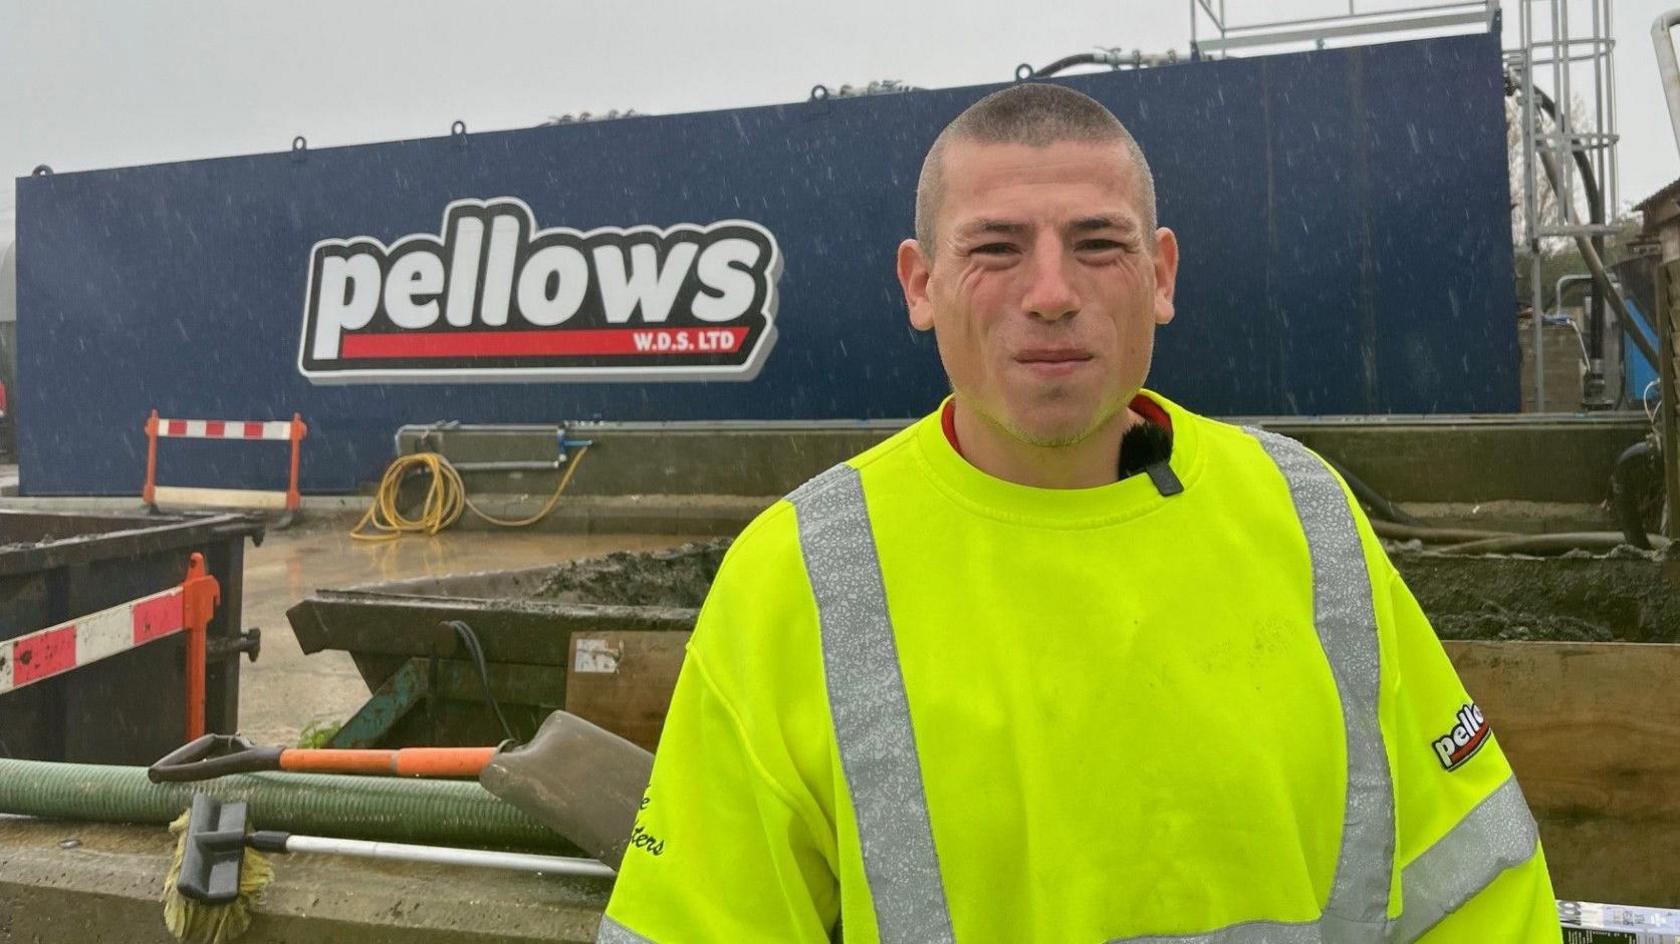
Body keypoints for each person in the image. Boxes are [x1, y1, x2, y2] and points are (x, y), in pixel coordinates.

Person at [597, 83, 1559, 943]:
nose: (1052, 294)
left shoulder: (1305, 517)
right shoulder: (800, 575)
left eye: (1099, 245)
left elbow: (1477, 891)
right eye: (996, 248)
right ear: (921, 285)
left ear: (1162, 275)